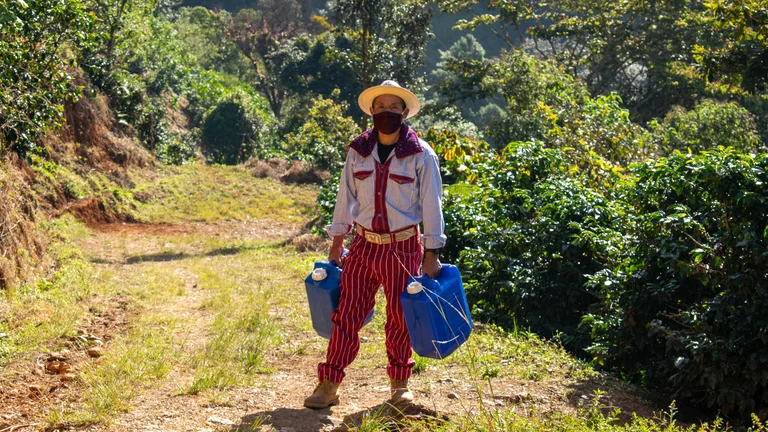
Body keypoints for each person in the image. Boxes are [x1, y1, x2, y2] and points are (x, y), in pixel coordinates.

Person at [304, 80, 447, 409]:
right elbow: (345, 198)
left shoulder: (421, 156)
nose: (387, 112)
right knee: (346, 315)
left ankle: (400, 386)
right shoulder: (358, 151)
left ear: (404, 113)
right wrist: (336, 244)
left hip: (403, 247)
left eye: (394, 107)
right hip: (363, 246)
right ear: (372, 112)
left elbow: (432, 206)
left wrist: (432, 252)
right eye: (381, 107)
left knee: (400, 317)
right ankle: (329, 384)